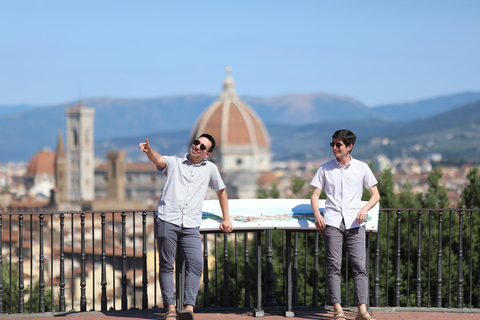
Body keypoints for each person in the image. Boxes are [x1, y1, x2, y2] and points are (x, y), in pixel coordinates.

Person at [139, 133, 233, 320]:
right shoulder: (175, 163)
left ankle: (188, 307)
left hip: (191, 224)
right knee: (166, 266)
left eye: (202, 146)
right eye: (196, 142)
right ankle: (170, 309)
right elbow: (158, 159)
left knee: (196, 264)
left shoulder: (211, 169)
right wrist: (149, 151)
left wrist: (226, 218)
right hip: (167, 219)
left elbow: (222, 192)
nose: (197, 146)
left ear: (207, 153)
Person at [310, 129, 380, 320]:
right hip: (332, 221)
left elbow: (376, 195)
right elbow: (315, 195)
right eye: (332, 144)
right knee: (333, 266)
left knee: (359, 266)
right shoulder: (324, 168)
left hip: (355, 223)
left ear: (349, 147)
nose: (334, 147)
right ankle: (338, 310)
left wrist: (364, 209)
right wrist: (317, 214)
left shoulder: (362, 168)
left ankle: (362, 311)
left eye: (338, 144)